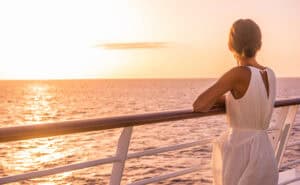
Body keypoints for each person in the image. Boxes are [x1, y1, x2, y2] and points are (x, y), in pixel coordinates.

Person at [193, 19, 278, 185]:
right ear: (258, 44)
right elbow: (250, 101)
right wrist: (230, 101)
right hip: (264, 151)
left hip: (241, 153)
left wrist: (221, 100)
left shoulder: (238, 74)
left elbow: (200, 104)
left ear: (231, 45)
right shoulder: (270, 73)